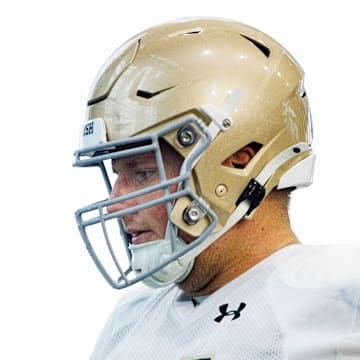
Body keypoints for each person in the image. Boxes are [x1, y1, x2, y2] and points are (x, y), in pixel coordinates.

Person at [74, 17, 360, 359]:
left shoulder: (339, 293)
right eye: (117, 175)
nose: (114, 204)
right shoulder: (131, 319)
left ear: (238, 163)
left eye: (143, 174)